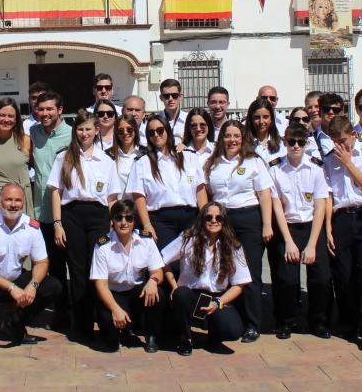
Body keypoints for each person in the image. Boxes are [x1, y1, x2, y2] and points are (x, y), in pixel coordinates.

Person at [0, 183, 62, 354]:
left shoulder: (32, 227)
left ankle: (16, 322)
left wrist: (33, 286)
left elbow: (42, 262)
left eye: (17, 200)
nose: (13, 204)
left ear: (23, 202)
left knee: (53, 286)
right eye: (8, 199)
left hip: (16, 278)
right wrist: (12, 288)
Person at [197, 120, 272, 341]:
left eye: (236, 136)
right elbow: (207, 193)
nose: (232, 140)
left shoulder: (253, 162)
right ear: (221, 139)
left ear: (243, 138)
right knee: (226, 270)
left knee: (249, 272)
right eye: (228, 136)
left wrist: (267, 224)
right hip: (223, 220)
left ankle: (252, 324)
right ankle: (231, 319)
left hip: (248, 218)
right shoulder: (212, 163)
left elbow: (265, 194)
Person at [48, 111, 116, 338]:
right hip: (72, 216)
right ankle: (82, 324)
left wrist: (113, 226)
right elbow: (56, 192)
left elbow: (112, 198)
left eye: (88, 129)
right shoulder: (64, 157)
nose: (84, 133)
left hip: (98, 216)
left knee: (96, 268)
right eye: (80, 129)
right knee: (77, 270)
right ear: (74, 131)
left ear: (97, 130)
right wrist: (57, 223)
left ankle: (102, 319)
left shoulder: (107, 160)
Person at [322, 115, 362, 350]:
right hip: (341, 218)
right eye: (335, 141)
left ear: (354, 135)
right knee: (343, 274)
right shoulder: (328, 160)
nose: (340, 146)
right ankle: (349, 321)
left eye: (343, 140)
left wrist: (348, 163)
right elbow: (327, 195)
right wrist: (328, 228)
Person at [163, 201, 252, 355]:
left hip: (216, 298)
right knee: (181, 294)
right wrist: (174, 286)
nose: (213, 221)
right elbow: (161, 260)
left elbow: (240, 284)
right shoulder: (188, 238)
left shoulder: (233, 245)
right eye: (208, 217)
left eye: (219, 218)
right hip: (191, 295)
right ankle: (186, 339)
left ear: (224, 221)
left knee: (233, 330)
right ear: (202, 219)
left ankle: (213, 338)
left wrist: (218, 303)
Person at [269, 123, 332, 339]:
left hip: (312, 227)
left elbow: (320, 205)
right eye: (291, 142)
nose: (296, 146)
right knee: (287, 280)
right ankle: (287, 321)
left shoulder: (316, 168)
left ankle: (318, 322)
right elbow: (277, 205)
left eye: (301, 142)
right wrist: (288, 240)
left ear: (307, 143)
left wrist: (313, 244)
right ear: (285, 142)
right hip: (288, 228)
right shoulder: (275, 169)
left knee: (321, 278)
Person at [90, 199, 164, 352]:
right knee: (110, 344)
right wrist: (115, 309)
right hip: (113, 294)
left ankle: (151, 336)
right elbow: (100, 285)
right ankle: (117, 331)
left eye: (129, 218)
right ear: (112, 221)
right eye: (119, 218)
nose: (124, 222)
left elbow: (158, 271)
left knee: (158, 293)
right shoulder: (102, 245)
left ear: (134, 221)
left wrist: (153, 281)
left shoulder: (146, 240)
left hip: (136, 291)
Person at [28, 90, 72, 324]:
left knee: (70, 264)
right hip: (39, 211)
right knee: (48, 264)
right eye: (40, 109)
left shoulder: (72, 135)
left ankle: (73, 310)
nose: (44, 113)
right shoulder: (33, 133)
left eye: (49, 109)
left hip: (65, 212)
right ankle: (58, 311)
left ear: (60, 110)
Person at [128, 115, 197, 251]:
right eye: (151, 132)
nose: (156, 135)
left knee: (192, 261)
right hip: (161, 220)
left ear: (167, 131)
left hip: (190, 217)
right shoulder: (142, 162)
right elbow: (138, 196)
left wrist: (205, 217)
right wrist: (147, 225)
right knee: (168, 261)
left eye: (160, 130)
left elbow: (200, 189)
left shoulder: (188, 156)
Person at [0, 97, 33, 215]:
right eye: (2, 115)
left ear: (16, 119)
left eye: (10, 116)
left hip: (20, 204)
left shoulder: (25, 140)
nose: (6, 119)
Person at [107, 115, 140, 204]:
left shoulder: (145, 153)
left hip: (141, 207)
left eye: (129, 129)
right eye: (120, 131)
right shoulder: (108, 155)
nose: (125, 133)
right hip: (118, 208)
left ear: (135, 130)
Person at [247, 98, 283, 166]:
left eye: (265, 117)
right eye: (257, 117)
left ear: (271, 119)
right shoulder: (244, 144)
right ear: (251, 119)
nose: (261, 121)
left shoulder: (282, 144)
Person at [312, 93, 345, 158]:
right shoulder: (310, 139)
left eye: (336, 110)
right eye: (326, 109)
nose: (331, 112)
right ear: (319, 112)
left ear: (342, 113)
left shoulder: (352, 137)